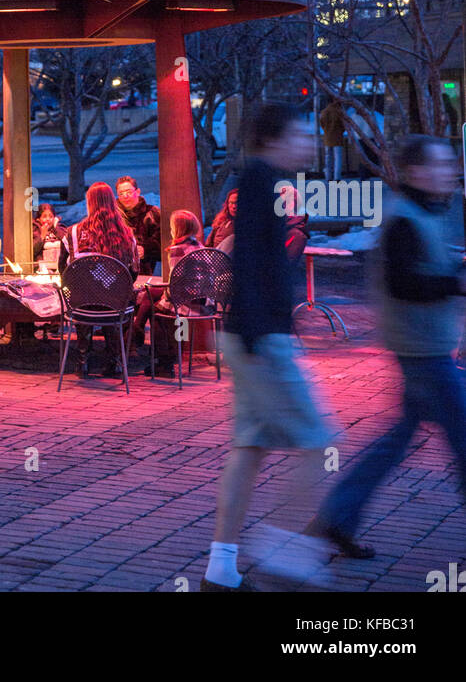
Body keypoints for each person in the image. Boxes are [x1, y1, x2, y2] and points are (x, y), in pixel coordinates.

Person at [308, 135, 466, 559]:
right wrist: (455, 282)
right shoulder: (405, 218)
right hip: (422, 352)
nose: (449, 170)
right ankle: (336, 518)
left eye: (451, 163)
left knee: (394, 441)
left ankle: (337, 518)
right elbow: (404, 284)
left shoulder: (424, 212)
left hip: (423, 348)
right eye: (440, 164)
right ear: (416, 171)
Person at [202, 103, 332, 592]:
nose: (309, 141)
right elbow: (254, 263)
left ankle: (221, 567)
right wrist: (266, 337)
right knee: (319, 443)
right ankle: (288, 561)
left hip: (245, 335)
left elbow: (244, 258)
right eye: (302, 133)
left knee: (249, 448)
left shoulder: (253, 181)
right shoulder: (267, 185)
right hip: (263, 340)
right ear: (275, 139)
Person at [59, 182, 139, 378]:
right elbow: (133, 273)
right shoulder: (127, 235)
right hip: (115, 305)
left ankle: (82, 360)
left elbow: (63, 271)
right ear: (113, 202)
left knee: (84, 293)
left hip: (82, 305)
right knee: (112, 298)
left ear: (89, 203)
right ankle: (115, 361)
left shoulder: (72, 234)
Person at [137, 209, 205, 379]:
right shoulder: (198, 246)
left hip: (185, 303)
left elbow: (175, 283)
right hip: (203, 302)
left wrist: (163, 297)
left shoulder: (178, 250)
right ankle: (166, 357)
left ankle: (164, 363)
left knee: (156, 312)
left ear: (178, 228)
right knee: (150, 295)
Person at [115, 176, 161, 274]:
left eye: (129, 192)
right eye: (121, 194)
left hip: (144, 275)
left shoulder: (152, 214)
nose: (125, 196)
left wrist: (146, 250)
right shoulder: (112, 216)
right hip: (115, 272)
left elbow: (162, 244)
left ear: (138, 192)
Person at [320, 100, 347, 182]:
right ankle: (337, 177)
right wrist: (340, 131)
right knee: (338, 158)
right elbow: (344, 125)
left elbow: (322, 124)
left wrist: (326, 131)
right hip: (337, 138)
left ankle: (328, 177)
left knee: (328, 158)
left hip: (327, 137)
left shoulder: (324, 112)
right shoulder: (339, 112)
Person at [207, 189, 237, 255]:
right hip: (215, 260)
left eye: (237, 203)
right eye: (231, 203)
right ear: (227, 204)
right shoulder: (221, 220)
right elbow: (208, 244)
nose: (234, 207)